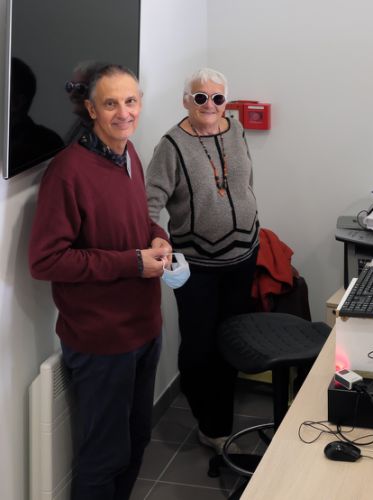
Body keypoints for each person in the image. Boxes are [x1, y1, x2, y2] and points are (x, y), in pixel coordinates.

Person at [29, 64, 172, 500]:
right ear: (91, 110)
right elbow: (47, 260)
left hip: (144, 327)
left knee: (136, 441)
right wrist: (132, 262)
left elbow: (137, 220)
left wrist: (157, 236)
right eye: (111, 104)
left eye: (130, 101)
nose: (123, 113)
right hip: (102, 341)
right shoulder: (67, 171)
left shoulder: (129, 153)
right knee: (103, 457)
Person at [146, 67, 260, 453]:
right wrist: (155, 241)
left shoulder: (236, 129)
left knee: (231, 340)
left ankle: (219, 422)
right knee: (199, 346)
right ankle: (208, 422)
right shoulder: (172, 145)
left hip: (243, 255)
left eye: (217, 98)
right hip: (198, 264)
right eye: (200, 97)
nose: (209, 105)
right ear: (186, 101)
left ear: (226, 103)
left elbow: (244, 183)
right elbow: (149, 203)